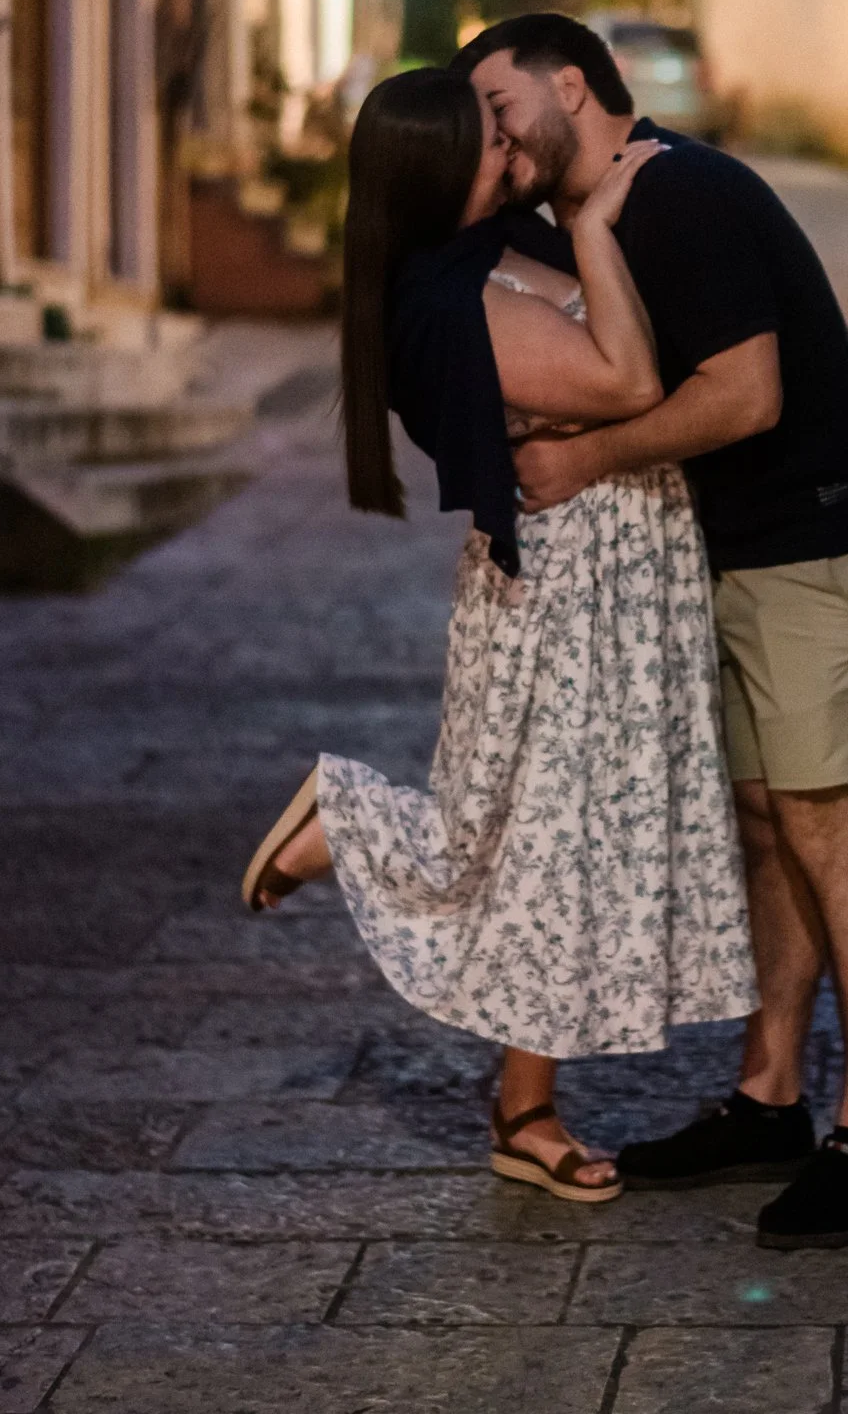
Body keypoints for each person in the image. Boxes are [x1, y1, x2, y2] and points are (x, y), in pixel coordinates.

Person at [454, 14, 848, 1251]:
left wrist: (584, 457)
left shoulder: (688, 193)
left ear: (571, 85)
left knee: (830, 827)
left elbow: (744, 394)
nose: (491, 132)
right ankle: (769, 1096)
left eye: (501, 104)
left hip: (820, 545)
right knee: (766, 830)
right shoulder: (564, 215)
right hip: (731, 557)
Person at [242, 67, 756, 1206]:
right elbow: (627, 375)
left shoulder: (490, 250)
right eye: (487, 142)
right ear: (433, 170)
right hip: (566, 588)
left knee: (558, 850)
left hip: (627, 571)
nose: (511, 149)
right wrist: (598, 224)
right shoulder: (443, 302)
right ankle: (349, 818)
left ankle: (525, 1104)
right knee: (524, 840)